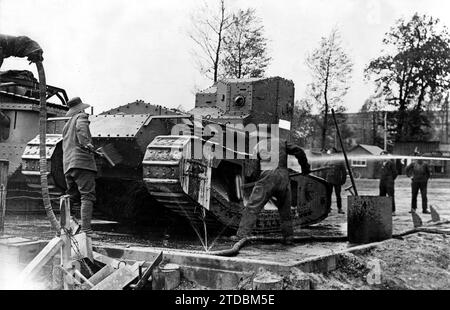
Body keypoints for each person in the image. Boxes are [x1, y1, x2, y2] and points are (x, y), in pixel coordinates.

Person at [231, 135, 311, 244]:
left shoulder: (258, 146)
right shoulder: (282, 141)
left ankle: (241, 236)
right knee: (285, 210)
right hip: (283, 177)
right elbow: (299, 151)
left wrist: (255, 180)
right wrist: (305, 168)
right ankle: (288, 238)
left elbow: (254, 169)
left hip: (267, 176)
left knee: (252, 207)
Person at [62, 97, 99, 237]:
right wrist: (88, 144)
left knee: (70, 196)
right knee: (87, 195)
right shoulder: (81, 116)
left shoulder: (66, 125)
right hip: (83, 163)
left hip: (68, 165)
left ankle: (64, 229)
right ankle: (86, 230)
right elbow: (81, 130)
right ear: (81, 109)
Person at [323, 147, 347, 214]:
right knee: (328, 195)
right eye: (331, 152)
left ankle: (339, 209)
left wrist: (343, 180)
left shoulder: (340, 160)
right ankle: (328, 208)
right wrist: (324, 179)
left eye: (333, 152)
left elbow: (344, 172)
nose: (331, 153)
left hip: (337, 180)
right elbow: (323, 170)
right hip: (329, 180)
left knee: (338, 195)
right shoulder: (327, 160)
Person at [379, 151, 397, 216]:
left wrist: (391, 179)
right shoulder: (381, 163)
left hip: (389, 182)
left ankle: (392, 211)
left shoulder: (391, 163)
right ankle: (383, 210)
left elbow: (395, 173)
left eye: (384, 155)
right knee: (382, 196)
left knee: (390, 196)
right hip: (382, 182)